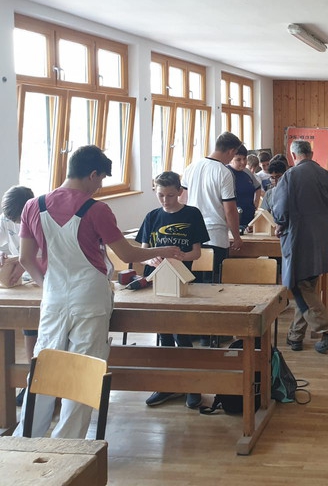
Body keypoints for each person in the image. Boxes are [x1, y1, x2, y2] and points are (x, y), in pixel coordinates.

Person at [14, 145, 181, 438]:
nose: (100, 186)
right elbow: (128, 253)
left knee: (43, 372)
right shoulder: (97, 210)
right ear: (92, 174)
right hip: (90, 299)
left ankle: (26, 441)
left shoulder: (33, 206)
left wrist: (48, 286)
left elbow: (26, 259)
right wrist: (164, 250)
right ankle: (69, 446)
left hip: (53, 298)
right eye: (101, 179)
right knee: (83, 373)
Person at [135, 171, 209, 409]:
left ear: (179, 192)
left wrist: (180, 256)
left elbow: (196, 253)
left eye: (169, 195)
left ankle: (191, 385)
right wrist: (151, 259)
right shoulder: (152, 217)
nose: (165, 200)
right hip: (157, 284)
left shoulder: (192, 214)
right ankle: (167, 385)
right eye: (160, 195)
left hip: (181, 284)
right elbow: (142, 252)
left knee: (182, 335)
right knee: (164, 335)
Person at [272, 140, 328, 354]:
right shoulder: (324, 174)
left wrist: (279, 225)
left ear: (293, 155)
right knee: (307, 288)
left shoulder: (290, 176)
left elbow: (280, 210)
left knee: (298, 285)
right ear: (311, 154)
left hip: (298, 238)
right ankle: (295, 336)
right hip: (320, 238)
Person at [181, 131, 243, 283]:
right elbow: (230, 209)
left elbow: (182, 200)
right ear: (231, 151)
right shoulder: (224, 172)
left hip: (192, 233)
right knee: (214, 283)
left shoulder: (191, 167)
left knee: (193, 283)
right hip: (215, 235)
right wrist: (236, 236)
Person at [0, 185, 36, 406]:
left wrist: (25, 262)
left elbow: (46, 251)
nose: (14, 222)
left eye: (18, 219)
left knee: (43, 327)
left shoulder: (40, 216)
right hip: (22, 281)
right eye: (11, 219)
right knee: (28, 323)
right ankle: (32, 381)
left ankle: (43, 382)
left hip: (42, 275)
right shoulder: (5, 218)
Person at [228, 144, 262, 231]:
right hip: (234, 220)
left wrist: (256, 202)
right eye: (238, 160)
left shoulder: (247, 171)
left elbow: (258, 187)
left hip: (249, 218)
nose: (243, 162)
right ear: (230, 159)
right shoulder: (226, 173)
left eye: (244, 158)